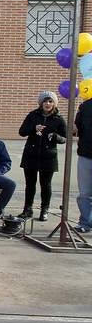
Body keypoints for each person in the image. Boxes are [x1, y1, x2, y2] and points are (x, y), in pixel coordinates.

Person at [17, 91, 67, 221]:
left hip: (48, 156)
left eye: (50, 101)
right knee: (30, 184)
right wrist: (34, 129)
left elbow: (65, 138)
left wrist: (55, 137)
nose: (48, 104)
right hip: (31, 154)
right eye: (45, 101)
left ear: (54, 104)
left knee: (46, 184)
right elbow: (22, 132)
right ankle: (27, 209)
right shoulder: (33, 115)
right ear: (41, 103)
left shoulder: (58, 118)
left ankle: (44, 209)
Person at [74, 96, 92, 233]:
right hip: (86, 154)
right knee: (84, 193)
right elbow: (76, 128)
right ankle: (85, 222)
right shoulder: (85, 106)